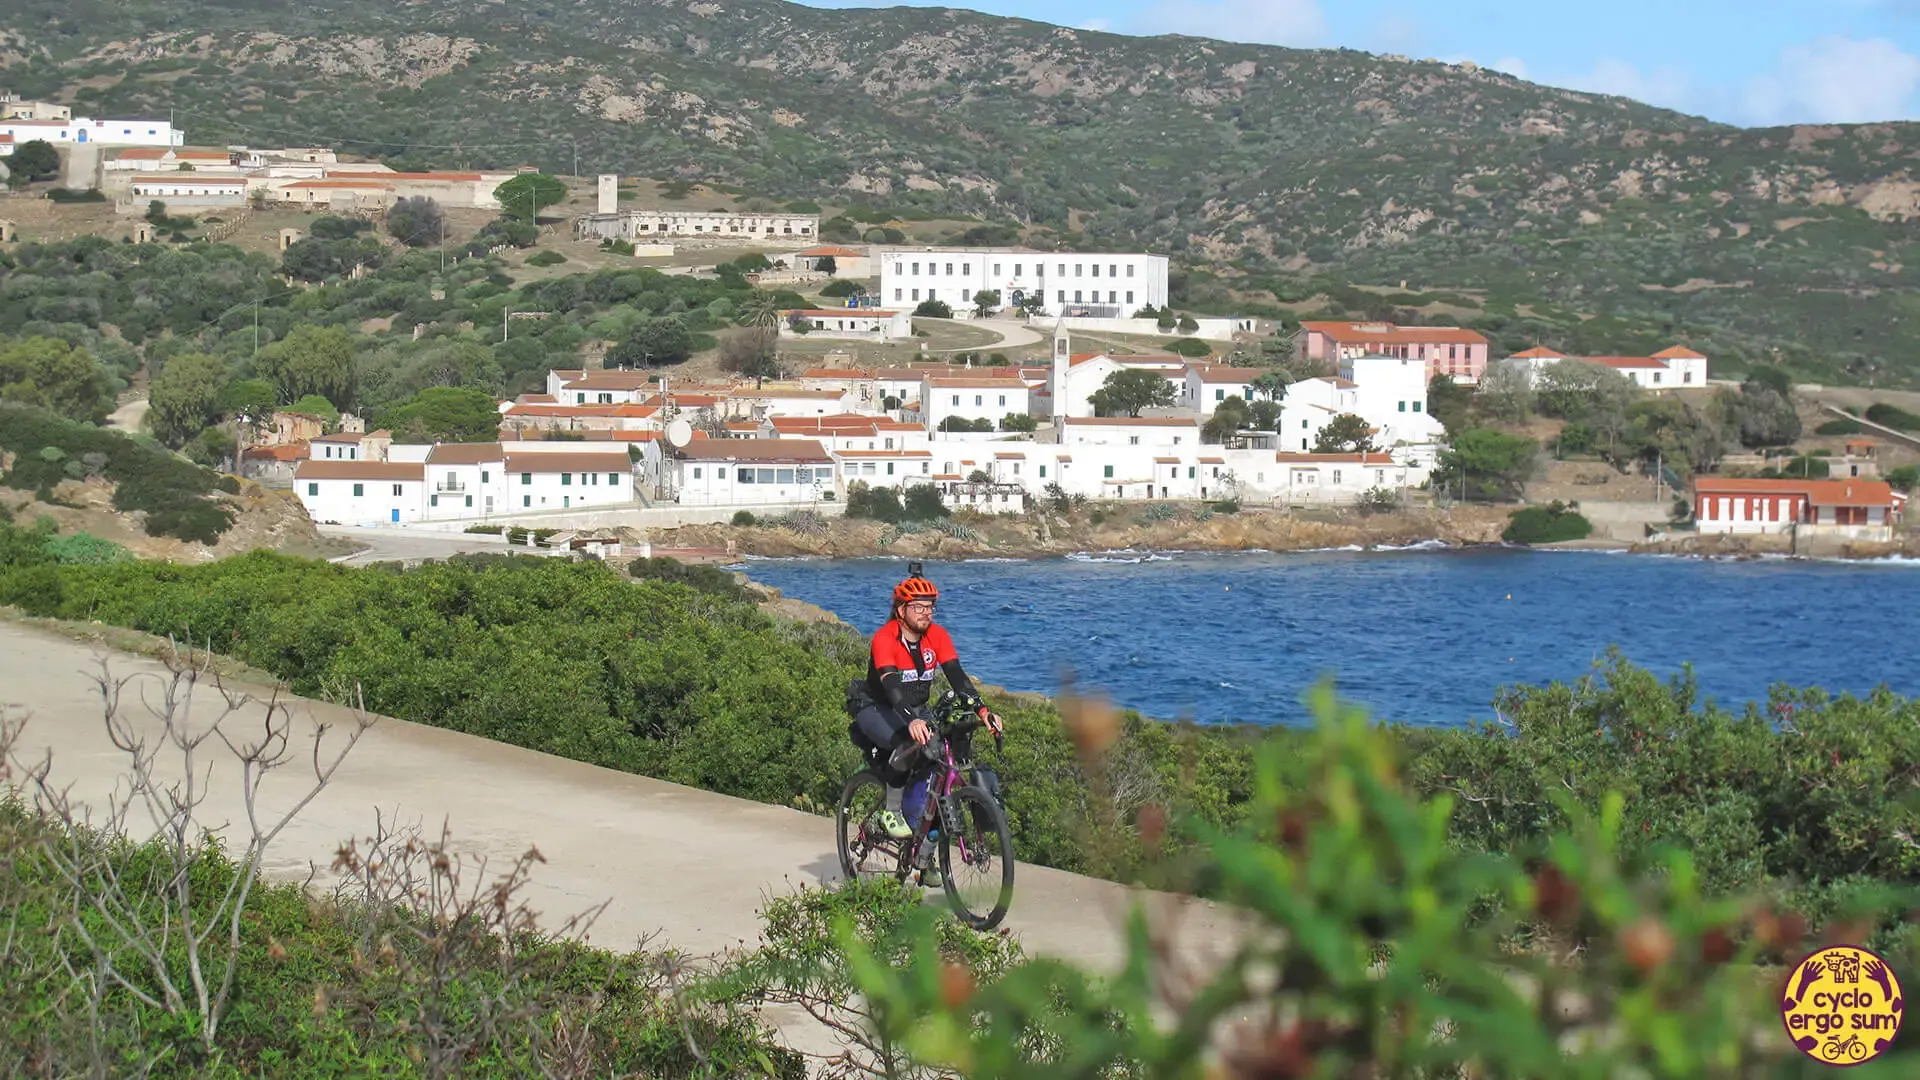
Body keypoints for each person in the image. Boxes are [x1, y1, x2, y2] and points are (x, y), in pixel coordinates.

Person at [846, 567, 1002, 887]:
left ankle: (925, 852)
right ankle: (889, 811)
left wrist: (984, 711)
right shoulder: (885, 638)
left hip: (915, 708)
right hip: (877, 706)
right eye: (918, 606)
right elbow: (891, 685)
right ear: (901, 610)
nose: (926, 613)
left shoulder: (938, 636)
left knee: (941, 768)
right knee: (906, 741)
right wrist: (913, 719)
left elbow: (958, 678)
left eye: (930, 606)